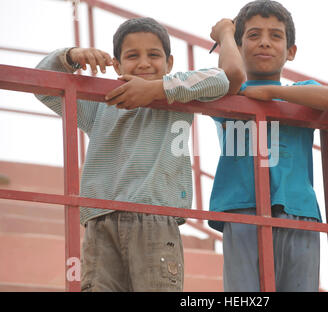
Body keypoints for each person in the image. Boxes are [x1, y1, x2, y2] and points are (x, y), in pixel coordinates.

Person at [34, 17, 231, 291]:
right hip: (100, 222)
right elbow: (42, 85)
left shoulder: (177, 99)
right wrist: (70, 57)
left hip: (155, 217)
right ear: (116, 65)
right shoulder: (101, 106)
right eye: (132, 56)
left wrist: (157, 88)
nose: (143, 63)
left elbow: (220, 79)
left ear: (169, 63)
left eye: (154, 55)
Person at [208, 0, 328, 292]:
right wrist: (224, 34)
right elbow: (231, 72)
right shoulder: (229, 92)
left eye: (275, 36)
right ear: (239, 46)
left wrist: (269, 92)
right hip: (242, 209)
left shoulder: (301, 92)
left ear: (291, 51)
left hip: (300, 210)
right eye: (253, 35)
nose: (264, 43)